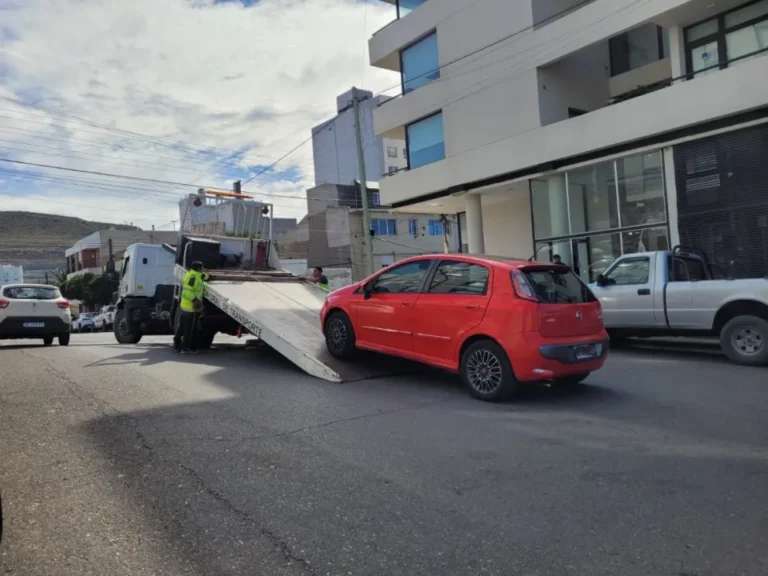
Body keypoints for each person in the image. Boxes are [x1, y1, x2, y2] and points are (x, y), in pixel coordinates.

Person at [174, 261, 207, 354]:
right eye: (202, 268)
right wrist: (195, 299)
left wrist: (208, 277)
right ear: (198, 269)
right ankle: (185, 348)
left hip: (190, 307)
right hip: (189, 307)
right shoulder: (192, 277)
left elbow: (203, 276)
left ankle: (177, 342)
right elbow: (186, 292)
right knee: (189, 329)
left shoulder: (196, 275)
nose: (203, 269)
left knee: (183, 326)